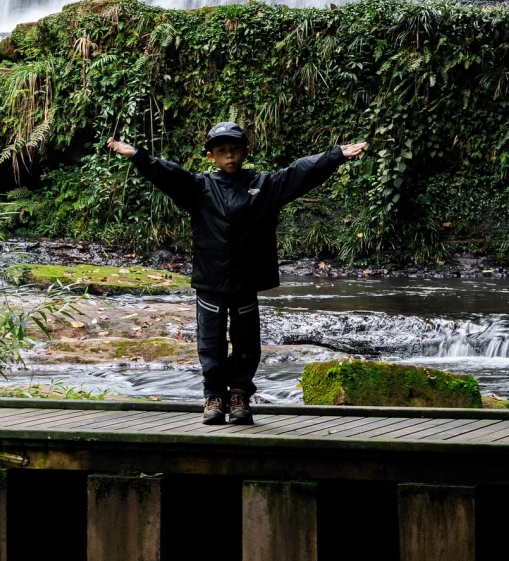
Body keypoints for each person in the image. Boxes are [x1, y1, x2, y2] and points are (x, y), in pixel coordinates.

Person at [106, 121, 367, 426]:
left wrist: (335, 155)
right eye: (221, 151)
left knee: (246, 343)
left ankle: (240, 394)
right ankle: (214, 396)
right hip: (211, 280)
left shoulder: (264, 186)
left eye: (234, 150)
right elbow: (169, 174)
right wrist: (137, 155)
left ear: (246, 151)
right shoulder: (200, 188)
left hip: (246, 279)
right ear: (210, 156)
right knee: (211, 342)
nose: (228, 156)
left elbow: (299, 173)